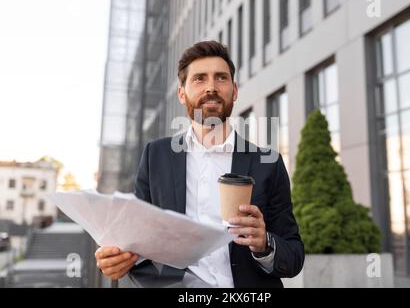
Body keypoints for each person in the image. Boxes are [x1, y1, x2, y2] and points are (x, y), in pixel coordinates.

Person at [95, 41, 304, 288]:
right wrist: (121, 258)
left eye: (221, 78)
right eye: (199, 79)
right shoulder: (155, 156)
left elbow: (293, 256)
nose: (211, 88)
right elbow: (139, 242)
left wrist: (264, 243)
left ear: (234, 91)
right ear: (182, 94)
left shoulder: (268, 163)